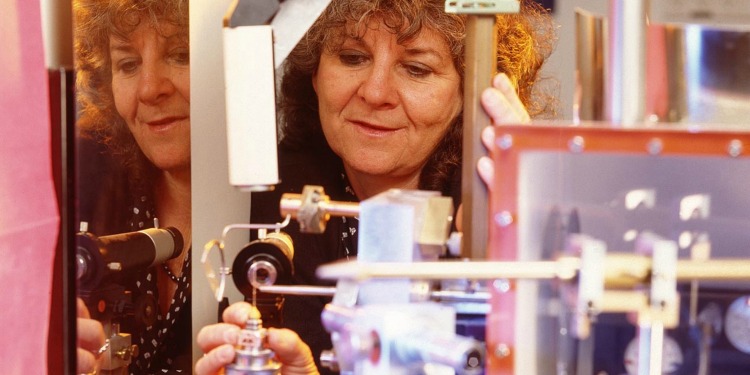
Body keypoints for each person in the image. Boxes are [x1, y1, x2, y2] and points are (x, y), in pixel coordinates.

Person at [197, 0, 556, 374]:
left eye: (416, 69)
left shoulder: (490, 198)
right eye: (352, 58)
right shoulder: (282, 182)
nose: (375, 92)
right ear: (315, 73)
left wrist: (519, 246)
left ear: (470, 95)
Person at [73, 0, 192, 372]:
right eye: (128, 64)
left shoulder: (285, 204)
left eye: (181, 54)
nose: (149, 89)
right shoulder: (84, 172)